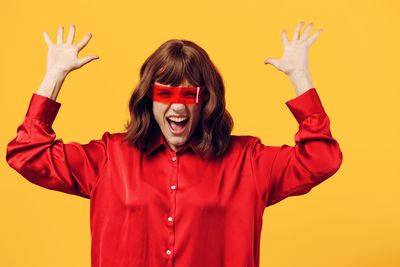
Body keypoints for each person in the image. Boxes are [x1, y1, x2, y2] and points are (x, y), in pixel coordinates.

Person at [6, 22, 343, 267]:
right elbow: (26, 154)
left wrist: (301, 78)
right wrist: (54, 76)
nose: (178, 107)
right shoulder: (109, 157)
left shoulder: (247, 162)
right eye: (166, 93)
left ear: (206, 100)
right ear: (148, 99)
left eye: (189, 95)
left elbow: (320, 159)